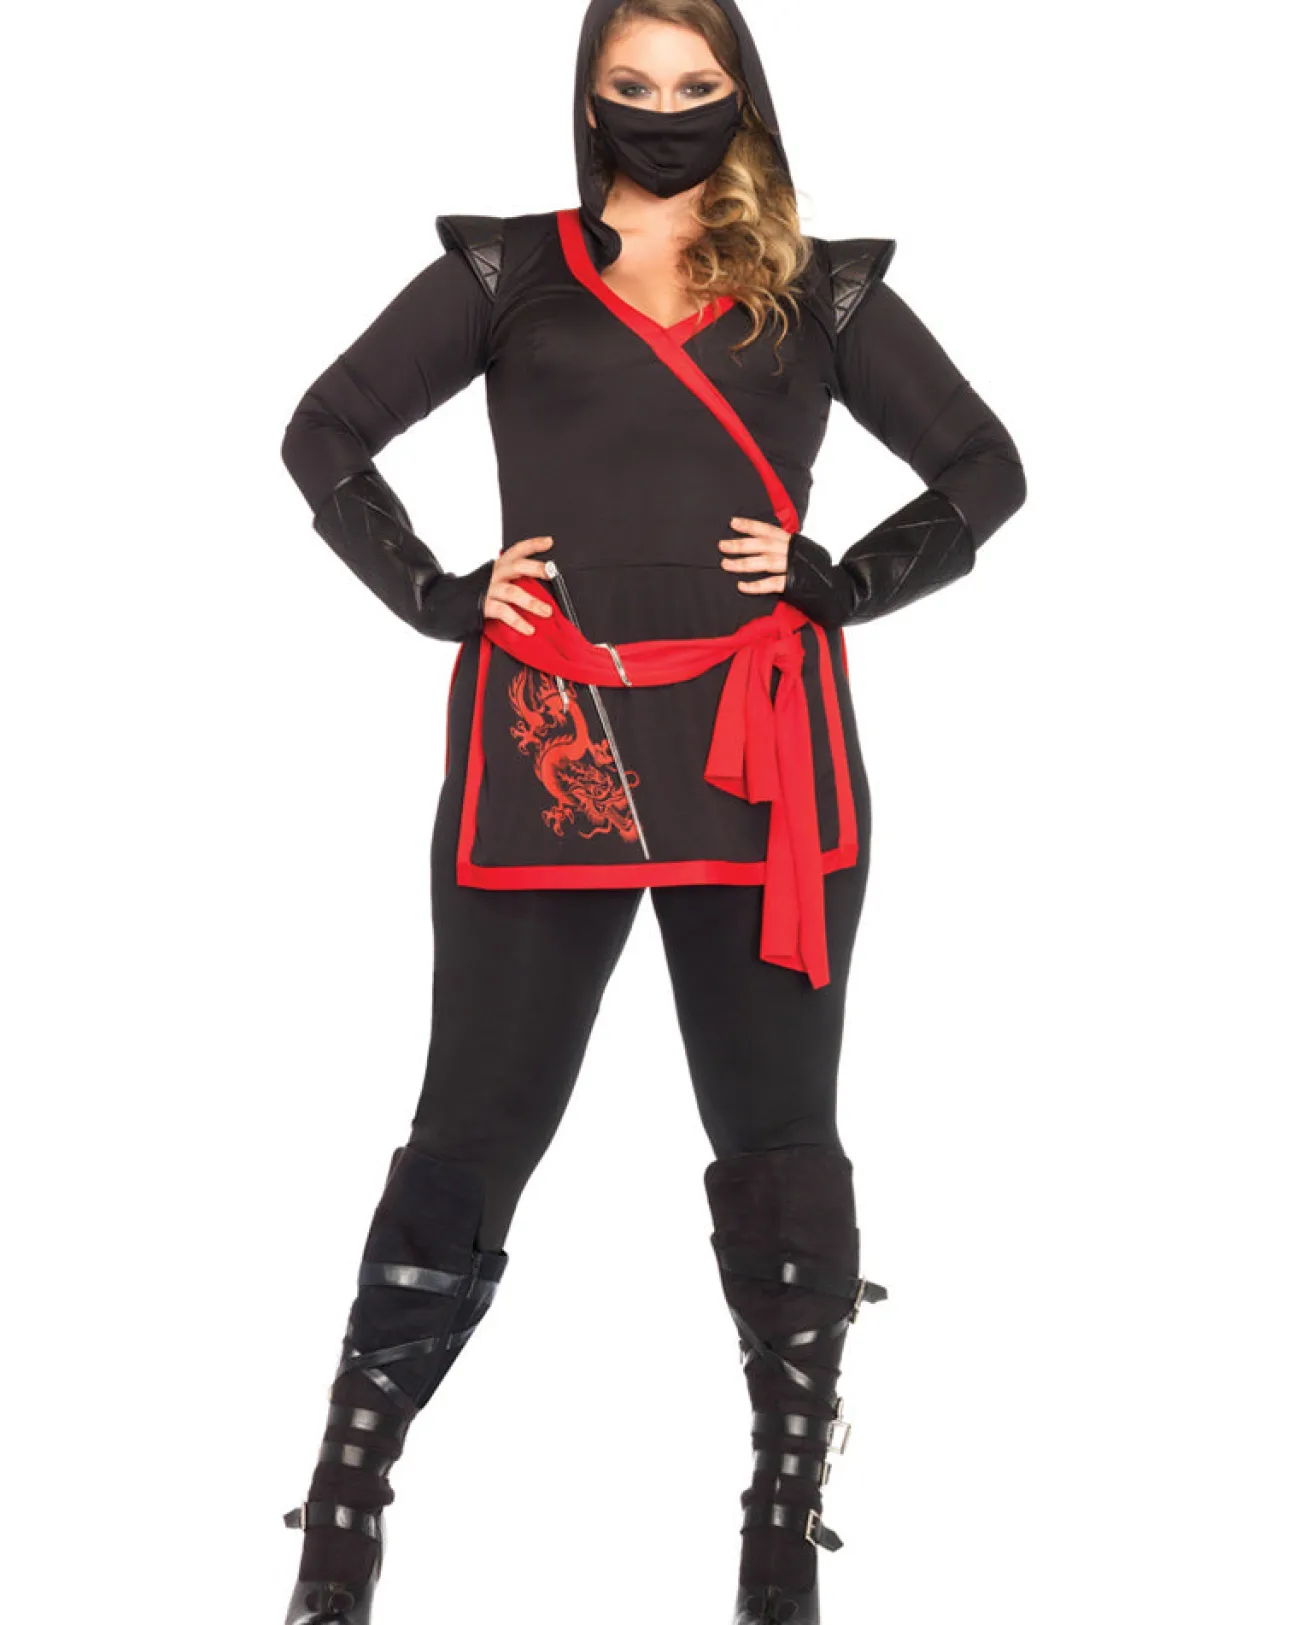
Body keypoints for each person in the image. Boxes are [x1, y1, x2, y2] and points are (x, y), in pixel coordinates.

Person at [276, 0, 1026, 1619]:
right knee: (471, 1129)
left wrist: (845, 581)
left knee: (778, 1139)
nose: (664, 112)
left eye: (695, 86)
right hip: (547, 741)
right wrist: (437, 593)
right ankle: (341, 1521)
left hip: (764, 761)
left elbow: (984, 466)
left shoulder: (818, 285)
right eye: (633, 85)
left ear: (740, 95)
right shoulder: (510, 272)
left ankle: (779, 1540)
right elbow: (321, 431)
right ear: (589, 97)